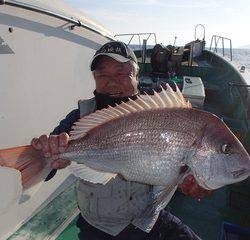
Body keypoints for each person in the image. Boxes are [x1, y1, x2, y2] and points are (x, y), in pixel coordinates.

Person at [31, 41, 210, 240]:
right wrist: (50, 152)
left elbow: (177, 168)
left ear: (137, 75)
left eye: (121, 73)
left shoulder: (158, 113)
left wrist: (194, 179)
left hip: (147, 219)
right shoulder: (80, 117)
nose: (112, 82)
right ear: (94, 78)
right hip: (99, 226)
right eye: (102, 75)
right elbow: (46, 170)